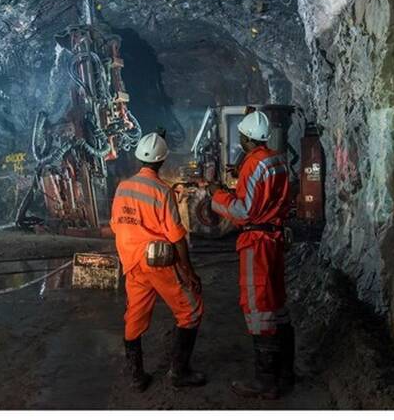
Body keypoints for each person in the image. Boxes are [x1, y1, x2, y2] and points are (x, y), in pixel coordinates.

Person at [207, 110, 295, 399]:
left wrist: (217, 195)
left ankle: (266, 381)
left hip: (256, 242)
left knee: (258, 305)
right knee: (276, 303)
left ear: (245, 138)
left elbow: (244, 211)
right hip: (274, 238)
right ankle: (286, 371)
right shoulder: (277, 159)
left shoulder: (253, 164)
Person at [110, 132, 205, 392]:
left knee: (134, 317)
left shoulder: (122, 188)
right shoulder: (162, 191)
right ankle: (179, 372)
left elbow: (116, 225)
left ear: (139, 158)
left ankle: (137, 377)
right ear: (162, 161)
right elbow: (177, 237)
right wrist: (189, 272)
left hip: (132, 263)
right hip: (158, 262)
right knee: (191, 310)